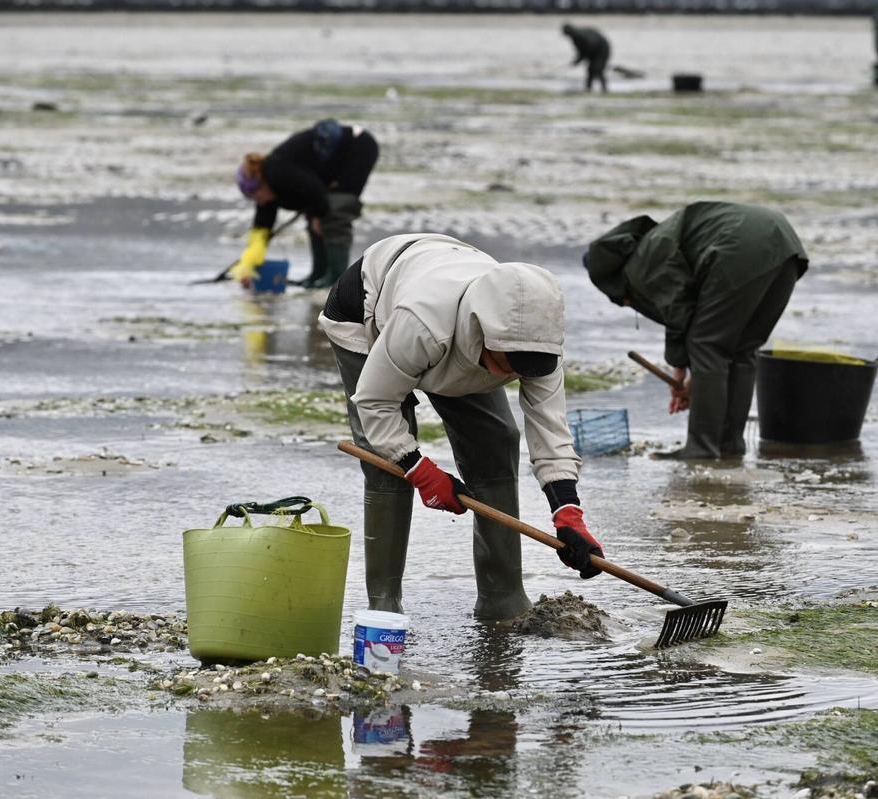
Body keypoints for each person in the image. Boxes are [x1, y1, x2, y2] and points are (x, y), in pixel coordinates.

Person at [319, 233, 604, 619]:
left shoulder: (537, 344)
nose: (516, 374)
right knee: (384, 465)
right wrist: (420, 471)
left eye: (527, 367)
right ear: (484, 331)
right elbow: (375, 401)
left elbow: (550, 430)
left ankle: (502, 600)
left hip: (452, 311)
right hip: (370, 308)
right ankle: (383, 607)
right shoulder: (423, 324)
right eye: (509, 363)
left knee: (496, 445)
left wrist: (568, 511)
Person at [582, 202, 809, 459]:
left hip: (738, 247)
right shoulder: (658, 241)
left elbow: (680, 309)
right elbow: (684, 307)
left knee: (707, 346)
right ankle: (728, 445)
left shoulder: (640, 265)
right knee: (741, 350)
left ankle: (701, 448)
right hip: (785, 245)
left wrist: (684, 369)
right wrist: (688, 374)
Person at [233, 119, 378, 290]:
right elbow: (261, 231)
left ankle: (336, 282)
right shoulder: (267, 193)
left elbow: (314, 189)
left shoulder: (278, 172)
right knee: (315, 218)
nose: (257, 201)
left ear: (260, 183)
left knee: (335, 212)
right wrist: (247, 266)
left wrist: (317, 216)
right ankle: (318, 275)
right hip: (330, 166)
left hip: (357, 147)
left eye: (255, 195)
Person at [561, 23, 610, 94]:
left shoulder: (580, 36)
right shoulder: (575, 38)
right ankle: (588, 88)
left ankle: (604, 89)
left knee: (597, 69)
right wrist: (577, 60)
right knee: (590, 69)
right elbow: (582, 52)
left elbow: (589, 47)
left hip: (602, 49)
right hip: (594, 51)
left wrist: (581, 58)